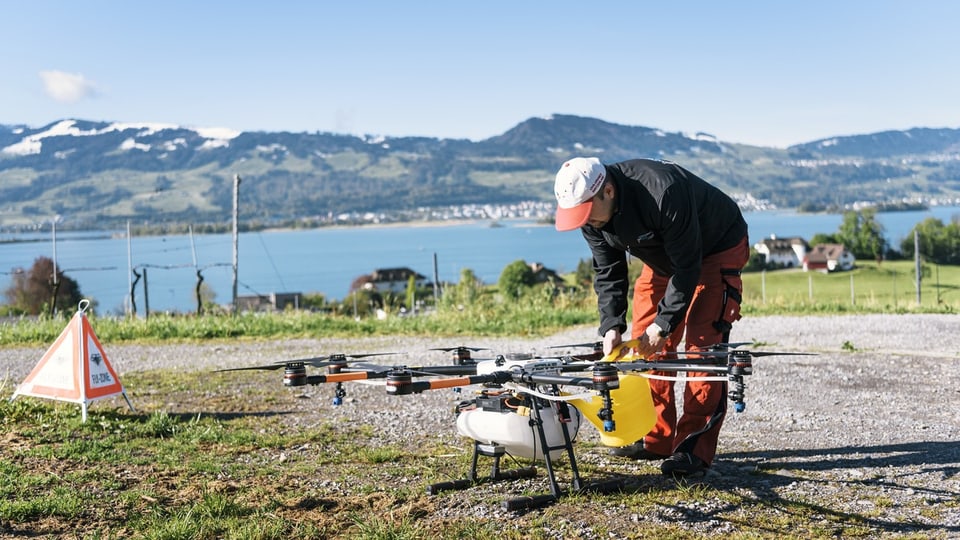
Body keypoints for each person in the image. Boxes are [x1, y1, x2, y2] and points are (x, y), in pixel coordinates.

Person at [553, 156, 749, 478]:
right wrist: (611, 325)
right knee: (643, 348)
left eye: (587, 213)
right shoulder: (592, 218)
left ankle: (692, 450)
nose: (585, 221)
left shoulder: (663, 191)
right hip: (664, 256)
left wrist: (665, 324)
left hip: (715, 249)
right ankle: (657, 437)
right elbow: (608, 270)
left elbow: (688, 267)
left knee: (702, 351)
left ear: (608, 192)